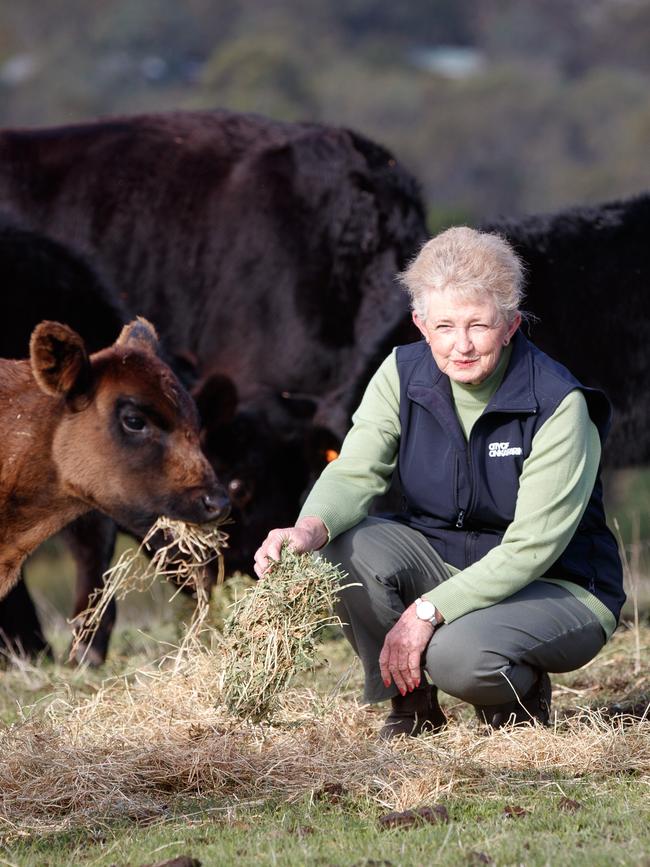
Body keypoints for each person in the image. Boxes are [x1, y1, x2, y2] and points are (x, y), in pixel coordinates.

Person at [254, 227, 625, 738]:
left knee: (456, 656)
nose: (463, 345)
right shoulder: (400, 374)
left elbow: (531, 548)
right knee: (338, 547)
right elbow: (355, 470)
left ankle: (519, 699)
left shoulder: (560, 404)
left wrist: (428, 611)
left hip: (557, 585)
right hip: (449, 561)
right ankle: (411, 709)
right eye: (445, 326)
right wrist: (306, 530)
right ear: (420, 325)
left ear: (511, 325)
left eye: (480, 325)